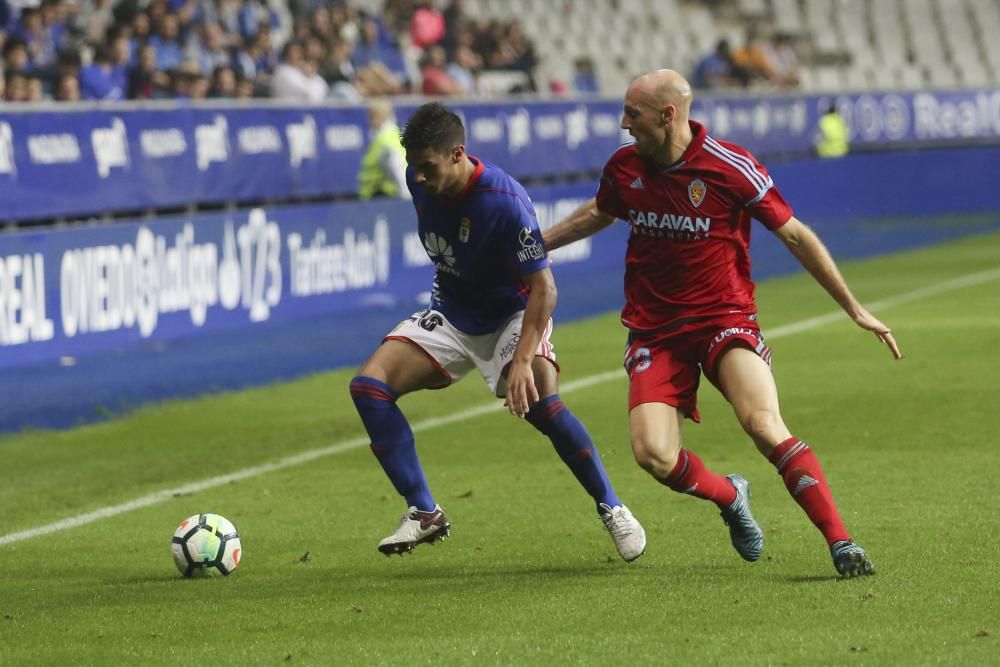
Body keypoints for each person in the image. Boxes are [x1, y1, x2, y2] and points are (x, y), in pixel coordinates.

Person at [542, 69, 901, 577]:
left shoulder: (730, 167)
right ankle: (731, 495)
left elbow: (795, 235)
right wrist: (538, 245)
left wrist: (854, 308)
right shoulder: (624, 168)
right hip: (655, 330)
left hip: (723, 320)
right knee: (653, 456)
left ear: (668, 115)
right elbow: (601, 211)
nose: (624, 124)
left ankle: (842, 543)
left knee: (763, 424)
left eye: (633, 114)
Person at [349, 102, 646, 561]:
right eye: (414, 168)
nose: (419, 178)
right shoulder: (419, 178)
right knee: (369, 386)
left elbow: (544, 290)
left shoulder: (505, 203)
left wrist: (523, 359)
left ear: (457, 154)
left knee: (543, 403)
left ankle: (612, 506)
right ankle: (424, 511)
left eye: (427, 167)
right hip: (452, 312)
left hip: (514, 312)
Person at [357, 99, 410, 200]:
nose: (369, 120)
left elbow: (397, 168)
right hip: (378, 197)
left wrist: (406, 197)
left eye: (371, 116)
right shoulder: (389, 135)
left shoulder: (385, 139)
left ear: (380, 116)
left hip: (382, 197)